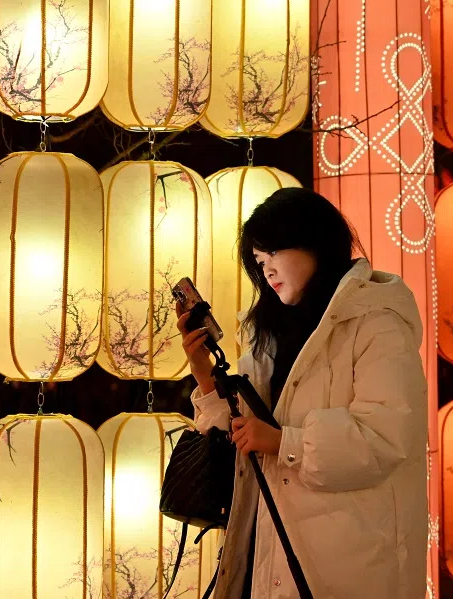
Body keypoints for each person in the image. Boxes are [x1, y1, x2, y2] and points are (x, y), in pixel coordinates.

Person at [176, 188, 428, 599]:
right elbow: (244, 428)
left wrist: (283, 441)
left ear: (314, 241)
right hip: (269, 542)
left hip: (347, 558)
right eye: (259, 262)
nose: (267, 271)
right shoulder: (267, 332)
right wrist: (204, 372)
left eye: (273, 253)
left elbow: (385, 435)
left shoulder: (377, 322)